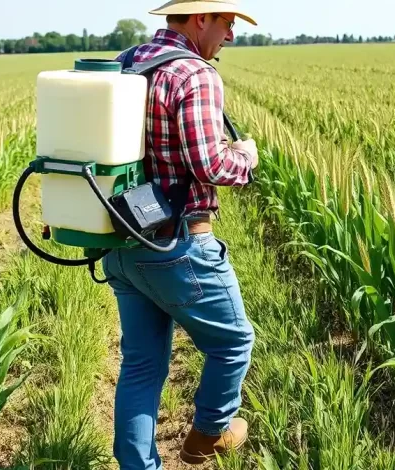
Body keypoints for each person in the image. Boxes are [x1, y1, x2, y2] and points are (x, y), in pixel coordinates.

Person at [101, 0, 260, 468]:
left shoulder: (127, 63)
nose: (230, 36)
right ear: (200, 19)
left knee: (141, 365)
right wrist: (246, 157)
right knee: (234, 343)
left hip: (124, 241)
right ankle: (207, 435)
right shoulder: (194, 74)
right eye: (227, 23)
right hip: (178, 243)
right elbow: (209, 164)